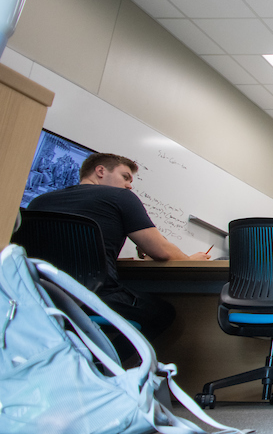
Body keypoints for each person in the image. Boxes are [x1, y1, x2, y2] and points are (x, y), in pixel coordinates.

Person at [26, 152, 212, 362]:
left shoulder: (39, 201)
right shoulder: (120, 198)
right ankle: (100, 365)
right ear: (100, 171)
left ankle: (78, 361)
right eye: (125, 177)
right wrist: (190, 260)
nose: (129, 186)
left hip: (40, 296)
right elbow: (160, 250)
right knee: (162, 313)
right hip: (96, 296)